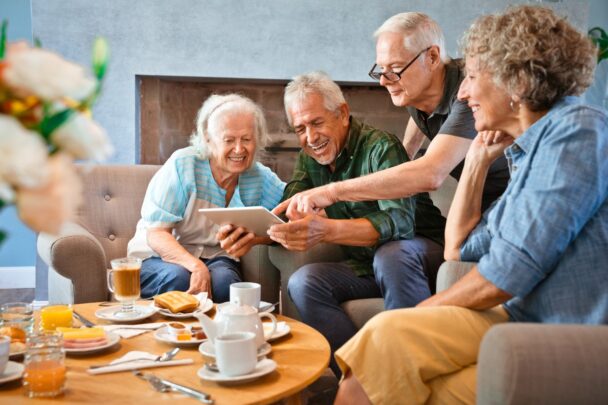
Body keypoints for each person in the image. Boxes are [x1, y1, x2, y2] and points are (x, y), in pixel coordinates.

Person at [334, 5, 607, 404]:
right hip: (518, 318)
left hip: (563, 330)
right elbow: (457, 249)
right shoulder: (526, 157)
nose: (462, 92)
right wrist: (477, 161)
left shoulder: (577, 133)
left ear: (516, 81)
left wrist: (416, 312)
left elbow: (504, 276)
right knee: (386, 352)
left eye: (473, 77)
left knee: (400, 354)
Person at [267, 72, 445, 376]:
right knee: (304, 282)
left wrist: (328, 230)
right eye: (300, 128)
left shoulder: (381, 147)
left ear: (343, 114)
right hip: (367, 265)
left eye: (317, 123)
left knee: (391, 254)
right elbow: (291, 203)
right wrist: (259, 231)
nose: (310, 138)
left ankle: (414, 373)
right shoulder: (310, 158)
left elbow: (400, 223)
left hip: (420, 256)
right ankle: (363, 378)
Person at [276, 12, 509, 219]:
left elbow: (431, 173)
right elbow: (419, 117)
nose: (384, 80)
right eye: (381, 69)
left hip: (514, 196)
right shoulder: (412, 89)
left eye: (394, 68)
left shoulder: (470, 93)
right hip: (482, 200)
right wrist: (405, 153)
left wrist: (330, 192)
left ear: (432, 57)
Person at [127, 94, 285, 302]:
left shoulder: (261, 178)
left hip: (217, 258)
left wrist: (256, 239)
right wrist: (196, 266)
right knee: (180, 279)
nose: (239, 149)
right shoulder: (184, 165)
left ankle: (222, 334)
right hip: (158, 257)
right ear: (208, 139)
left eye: (246, 139)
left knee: (225, 285)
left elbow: (286, 218)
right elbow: (156, 234)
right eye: (229, 140)